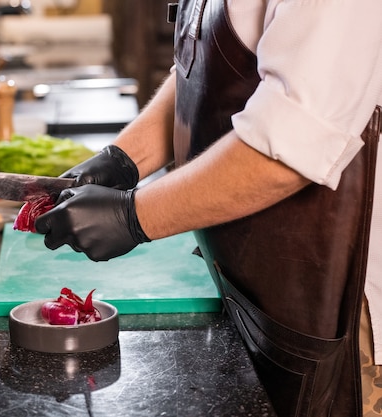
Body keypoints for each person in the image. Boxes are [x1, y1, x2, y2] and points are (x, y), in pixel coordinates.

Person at [34, 1, 382, 416]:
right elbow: (204, 68)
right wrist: (125, 158)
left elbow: (290, 148)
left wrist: (133, 215)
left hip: (332, 310)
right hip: (246, 288)